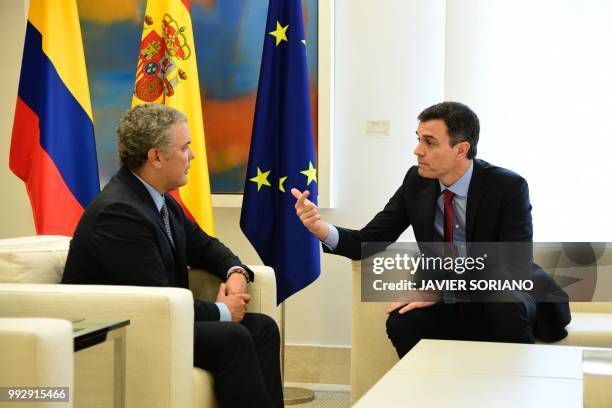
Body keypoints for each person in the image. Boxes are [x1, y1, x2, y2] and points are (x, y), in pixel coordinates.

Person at [292, 101, 570, 358]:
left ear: (461, 149)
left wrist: (442, 290)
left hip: (498, 293)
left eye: (429, 142)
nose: (417, 150)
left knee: (504, 305)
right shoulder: (417, 182)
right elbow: (370, 239)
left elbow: (513, 267)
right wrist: (321, 228)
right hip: (449, 302)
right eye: (418, 139)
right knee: (403, 320)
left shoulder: (507, 187)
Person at [63, 104, 283, 408]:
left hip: (158, 319)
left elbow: (206, 247)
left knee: (262, 328)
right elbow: (156, 296)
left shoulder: (159, 201)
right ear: (155, 157)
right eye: (185, 147)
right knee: (233, 338)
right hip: (120, 330)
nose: (192, 155)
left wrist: (236, 272)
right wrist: (222, 310)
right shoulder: (119, 212)